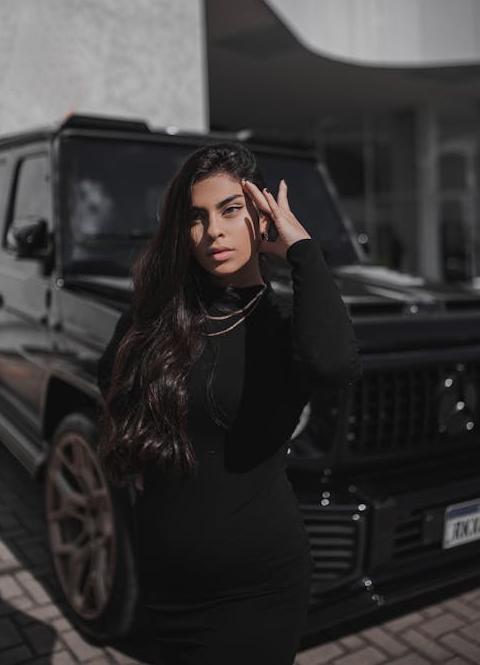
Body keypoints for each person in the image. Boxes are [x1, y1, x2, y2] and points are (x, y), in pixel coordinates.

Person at [96, 143, 362, 665]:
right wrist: (135, 462)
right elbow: (113, 381)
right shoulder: (160, 318)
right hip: (165, 585)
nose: (213, 230)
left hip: (254, 590)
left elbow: (333, 364)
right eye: (196, 217)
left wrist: (301, 249)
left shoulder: (282, 326)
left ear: (260, 216)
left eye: (230, 210)